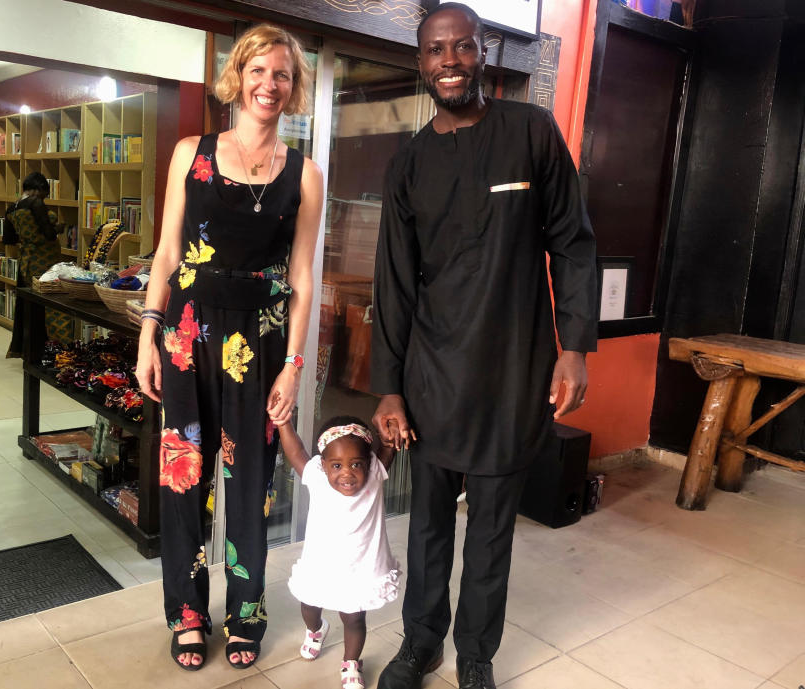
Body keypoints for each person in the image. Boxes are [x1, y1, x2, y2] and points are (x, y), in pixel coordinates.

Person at [370, 4, 598, 689]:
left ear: (483, 51)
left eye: (462, 47)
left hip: (512, 370)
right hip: (432, 374)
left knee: (493, 530)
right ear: (421, 61)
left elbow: (575, 242)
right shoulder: (408, 163)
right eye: (436, 50)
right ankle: (421, 643)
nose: (450, 61)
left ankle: (476, 654)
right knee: (430, 526)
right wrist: (388, 385)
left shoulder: (530, 132)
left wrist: (576, 344)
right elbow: (394, 283)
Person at [135, 24, 324, 672]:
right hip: (186, 336)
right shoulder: (192, 152)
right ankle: (187, 613)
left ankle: (247, 614)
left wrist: (296, 365)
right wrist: (148, 336)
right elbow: (165, 252)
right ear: (238, 76)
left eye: (283, 74)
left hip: (262, 343)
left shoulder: (305, 174)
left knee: (250, 489)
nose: (269, 83)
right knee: (184, 478)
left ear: (293, 87)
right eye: (259, 69)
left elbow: (301, 277)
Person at [277, 415, 400, 689]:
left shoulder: (374, 475)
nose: (347, 473)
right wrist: (283, 423)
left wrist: (390, 430)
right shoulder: (317, 478)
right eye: (336, 465)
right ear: (323, 466)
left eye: (356, 464)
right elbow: (295, 451)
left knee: (353, 616)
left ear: (369, 463)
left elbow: (388, 446)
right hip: (321, 564)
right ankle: (316, 629)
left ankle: (352, 662)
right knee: (309, 605)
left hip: (362, 567)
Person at [3, 171, 71, 356]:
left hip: (25, 260)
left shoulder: (11, 207)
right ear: (38, 189)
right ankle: (45, 347)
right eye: (45, 192)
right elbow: (48, 234)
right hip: (44, 260)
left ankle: (23, 347)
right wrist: (59, 227)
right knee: (46, 304)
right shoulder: (36, 203)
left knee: (27, 303)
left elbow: (9, 238)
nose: (45, 197)